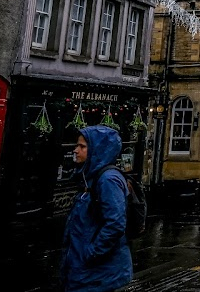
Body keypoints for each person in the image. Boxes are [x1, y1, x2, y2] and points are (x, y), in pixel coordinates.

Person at [60, 125, 132, 292]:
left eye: (82, 147)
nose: (76, 150)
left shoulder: (108, 180)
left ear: (97, 150)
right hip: (85, 271)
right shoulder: (90, 177)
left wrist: (91, 253)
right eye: (77, 145)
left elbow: (115, 224)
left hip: (98, 275)